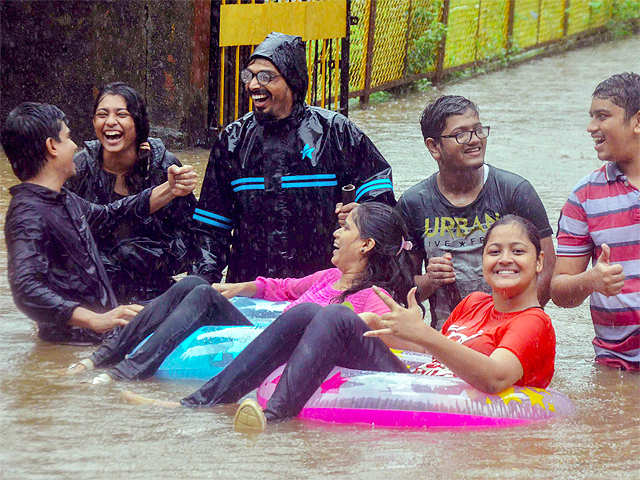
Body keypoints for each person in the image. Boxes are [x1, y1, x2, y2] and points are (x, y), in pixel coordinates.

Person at [123, 214, 555, 435]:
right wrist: (397, 330)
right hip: (415, 381)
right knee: (315, 312)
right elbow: (439, 353)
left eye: (517, 252)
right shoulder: (476, 303)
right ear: (482, 261)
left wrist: (422, 334)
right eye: (494, 251)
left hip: (448, 401)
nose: (504, 260)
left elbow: (498, 377)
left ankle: (272, 418)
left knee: (333, 315)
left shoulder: (532, 322)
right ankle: (202, 402)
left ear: (538, 263)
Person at [79, 201, 414, 383]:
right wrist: (241, 286)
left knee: (201, 295)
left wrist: (411, 328)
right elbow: (281, 288)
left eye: (346, 228)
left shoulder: (373, 298)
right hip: (261, 335)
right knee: (195, 285)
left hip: (282, 351)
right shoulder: (328, 277)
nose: (336, 234)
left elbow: (398, 346)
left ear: (366, 244)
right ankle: (106, 355)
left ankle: (126, 373)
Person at [192, 32, 395, 284]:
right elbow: (211, 229)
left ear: (293, 80)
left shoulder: (336, 132)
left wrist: (363, 211)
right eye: (250, 75)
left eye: (265, 76)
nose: (253, 85)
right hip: (251, 288)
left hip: (321, 288)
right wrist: (200, 287)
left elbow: (380, 194)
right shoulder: (232, 141)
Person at [1, 102, 197, 345]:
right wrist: (93, 320)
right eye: (68, 137)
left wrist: (168, 189)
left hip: (97, 336)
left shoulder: (62, 199)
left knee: (193, 290)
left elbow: (109, 215)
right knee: (198, 297)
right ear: (52, 147)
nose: (75, 146)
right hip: (73, 343)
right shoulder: (28, 213)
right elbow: (26, 288)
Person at [397, 95, 555, 330]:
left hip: (510, 331)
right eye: (461, 134)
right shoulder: (413, 203)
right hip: (447, 337)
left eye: (479, 130)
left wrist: (520, 322)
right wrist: (431, 281)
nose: (475, 140)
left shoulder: (514, 191)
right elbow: (400, 289)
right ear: (433, 147)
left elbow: (548, 266)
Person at [65, 82, 211, 303]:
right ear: (94, 121)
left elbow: (195, 236)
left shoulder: (164, 167)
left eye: (121, 114)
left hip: (153, 289)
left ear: (138, 122)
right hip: (92, 292)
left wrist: (153, 257)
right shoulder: (78, 168)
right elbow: (61, 238)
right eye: (102, 114)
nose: (110, 122)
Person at [551, 72, 640, 371]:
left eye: (602, 116)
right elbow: (559, 291)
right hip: (617, 364)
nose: (591, 128)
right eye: (591, 117)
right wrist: (591, 281)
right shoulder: (584, 197)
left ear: (637, 121)